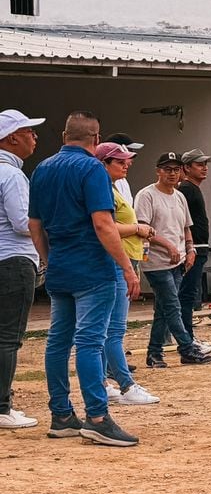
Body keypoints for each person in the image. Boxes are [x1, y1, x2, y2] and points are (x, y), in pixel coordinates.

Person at [32, 111, 144, 446]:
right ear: (96, 139)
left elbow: (34, 225)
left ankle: (62, 414)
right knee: (90, 342)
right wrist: (125, 266)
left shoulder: (42, 168)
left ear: (64, 135)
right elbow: (103, 224)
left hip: (61, 266)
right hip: (92, 268)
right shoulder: (93, 168)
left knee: (58, 341)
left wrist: (50, 259)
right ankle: (97, 417)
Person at [96, 142, 161, 407]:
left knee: (106, 330)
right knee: (114, 329)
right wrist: (137, 228)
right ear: (104, 164)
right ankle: (126, 385)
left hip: (121, 257)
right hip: (117, 259)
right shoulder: (104, 190)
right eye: (120, 161)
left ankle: (104, 382)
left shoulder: (110, 188)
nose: (126, 165)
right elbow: (107, 226)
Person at [136, 151, 211, 370]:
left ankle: (154, 354)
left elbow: (186, 227)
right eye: (167, 169)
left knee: (163, 309)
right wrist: (168, 245)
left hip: (178, 262)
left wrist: (190, 249)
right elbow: (144, 229)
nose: (172, 173)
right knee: (172, 306)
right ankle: (187, 349)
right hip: (157, 262)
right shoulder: (147, 195)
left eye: (176, 169)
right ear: (158, 171)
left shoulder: (179, 196)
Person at [0, 109, 45, 430]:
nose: (35, 136)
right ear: (11, 138)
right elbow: (21, 222)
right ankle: (2, 407)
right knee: (8, 338)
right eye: (28, 131)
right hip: (14, 261)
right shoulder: (13, 175)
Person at [177, 148, 211, 353]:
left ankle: (187, 337)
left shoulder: (192, 189)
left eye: (205, 164)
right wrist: (188, 246)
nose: (204, 168)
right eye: (199, 164)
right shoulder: (186, 189)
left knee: (189, 295)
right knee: (186, 295)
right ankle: (186, 339)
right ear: (187, 167)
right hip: (192, 248)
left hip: (198, 247)